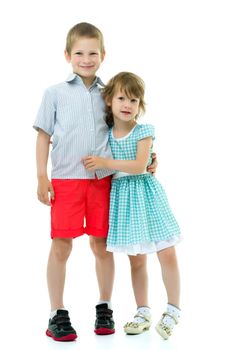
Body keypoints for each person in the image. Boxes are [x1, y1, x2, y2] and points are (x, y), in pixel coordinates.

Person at [33, 23, 157, 341]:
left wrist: (149, 158)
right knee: (61, 244)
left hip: (103, 182)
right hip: (65, 181)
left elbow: (128, 127)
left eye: (92, 53)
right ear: (67, 55)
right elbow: (44, 136)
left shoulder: (109, 94)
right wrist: (41, 176)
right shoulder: (54, 94)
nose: (86, 59)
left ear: (103, 55)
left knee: (101, 246)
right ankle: (56, 313)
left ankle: (104, 306)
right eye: (79, 53)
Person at [83, 72, 181, 340]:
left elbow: (140, 165)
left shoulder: (144, 131)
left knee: (167, 251)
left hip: (146, 194)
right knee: (136, 260)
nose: (127, 104)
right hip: (123, 199)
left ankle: (173, 309)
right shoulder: (106, 134)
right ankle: (143, 311)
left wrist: (106, 163)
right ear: (109, 100)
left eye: (134, 100)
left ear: (141, 105)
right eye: (122, 98)